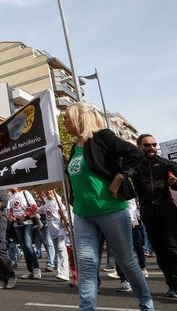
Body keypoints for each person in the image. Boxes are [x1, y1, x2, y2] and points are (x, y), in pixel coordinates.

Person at [63, 102, 154, 311]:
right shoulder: (73, 147)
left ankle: (146, 303)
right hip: (83, 214)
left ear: (80, 118)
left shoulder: (103, 137)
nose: (65, 121)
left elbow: (135, 154)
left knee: (126, 262)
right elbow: (79, 174)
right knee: (86, 265)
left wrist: (119, 177)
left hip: (110, 210)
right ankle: (87, 307)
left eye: (67, 117)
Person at [133, 134, 177, 299]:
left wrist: (174, 183)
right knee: (160, 249)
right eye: (147, 145)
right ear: (139, 146)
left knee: (173, 246)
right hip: (147, 211)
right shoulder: (134, 165)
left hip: (167, 209)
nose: (151, 148)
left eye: (153, 145)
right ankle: (171, 285)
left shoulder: (167, 164)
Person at [7, 187, 41, 280]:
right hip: (16, 224)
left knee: (28, 245)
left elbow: (34, 206)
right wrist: (12, 217)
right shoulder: (11, 197)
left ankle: (36, 268)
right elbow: (9, 211)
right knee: (24, 248)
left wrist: (25, 215)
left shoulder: (25, 193)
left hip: (28, 223)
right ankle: (30, 270)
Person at [37, 190, 71, 281]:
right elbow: (38, 210)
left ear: (54, 191)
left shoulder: (59, 201)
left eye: (51, 193)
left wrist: (66, 220)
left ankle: (63, 273)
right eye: (47, 193)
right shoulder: (46, 203)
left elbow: (66, 212)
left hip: (61, 229)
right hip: (52, 231)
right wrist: (31, 209)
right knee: (59, 251)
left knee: (61, 248)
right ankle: (67, 271)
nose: (49, 195)